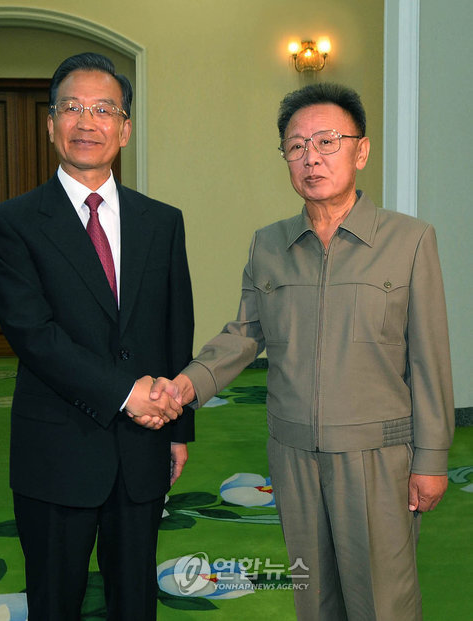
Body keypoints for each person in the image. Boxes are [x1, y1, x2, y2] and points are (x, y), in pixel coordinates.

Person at [151, 83, 454, 620]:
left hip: (377, 456)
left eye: (327, 142)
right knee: (312, 597)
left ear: (361, 151)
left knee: (383, 601)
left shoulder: (408, 241)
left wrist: (431, 459)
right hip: (292, 456)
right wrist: (185, 385)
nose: (311, 158)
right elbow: (243, 334)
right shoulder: (269, 245)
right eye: (296, 146)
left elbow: (430, 360)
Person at [0, 52, 194, 620]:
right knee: (55, 600)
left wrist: (179, 430)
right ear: (50, 123)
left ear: (124, 129)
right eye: (72, 108)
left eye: (104, 110)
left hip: (143, 447)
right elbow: (33, 334)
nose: (87, 122)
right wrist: (128, 393)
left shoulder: (162, 221)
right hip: (57, 450)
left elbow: (176, 327)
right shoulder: (12, 222)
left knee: (136, 599)